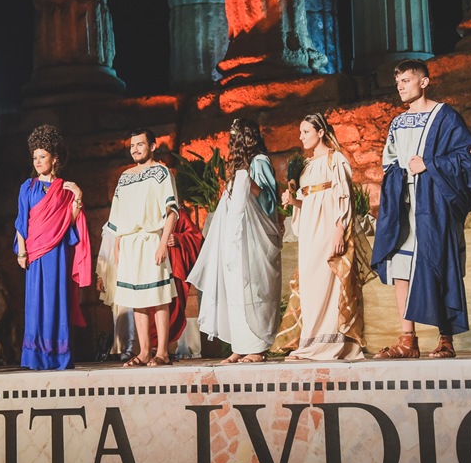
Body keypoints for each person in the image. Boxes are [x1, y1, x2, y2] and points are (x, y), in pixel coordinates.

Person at [372, 60, 471, 360]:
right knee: (400, 268)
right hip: (404, 205)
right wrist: (400, 176)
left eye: (406, 80)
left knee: (439, 264)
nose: (401, 87)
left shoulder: (445, 116)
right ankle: (408, 340)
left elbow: (466, 157)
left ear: (424, 82)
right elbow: (389, 162)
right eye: (398, 83)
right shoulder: (397, 123)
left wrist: (429, 165)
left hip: (435, 205)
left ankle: (445, 338)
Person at [189, 118, 282, 363]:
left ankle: (257, 347)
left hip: (254, 240)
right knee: (236, 291)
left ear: (244, 139)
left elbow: (270, 202)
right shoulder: (240, 167)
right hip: (237, 241)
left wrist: (248, 184)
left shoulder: (259, 162)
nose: (231, 143)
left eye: (234, 138)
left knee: (254, 289)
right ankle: (240, 346)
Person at [279, 114, 367, 361]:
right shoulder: (306, 165)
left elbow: (344, 196)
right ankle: (311, 341)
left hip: (329, 228)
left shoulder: (335, 159)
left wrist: (340, 230)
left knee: (329, 283)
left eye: (306, 131)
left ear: (320, 132)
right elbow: (308, 201)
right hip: (310, 232)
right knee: (310, 285)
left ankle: (329, 344)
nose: (301, 137)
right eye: (300, 132)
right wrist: (293, 201)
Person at [99, 128, 180, 367]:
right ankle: (144, 352)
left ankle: (162, 352)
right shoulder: (125, 177)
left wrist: (163, 243)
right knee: (137, 298)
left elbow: (171, 211)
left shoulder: (161, 173)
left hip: (151, 239)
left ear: (152, 146)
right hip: (129, 242)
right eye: (132, 145)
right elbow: (118, 216)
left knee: (159, 297)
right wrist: (117, 245)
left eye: (140, 144)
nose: (135, 149)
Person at [14, 125, 92, 370]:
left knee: (57, 299)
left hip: (57, 252)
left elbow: (70, 222)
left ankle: (58, 355)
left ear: (54, 158)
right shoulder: (27, 187)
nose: (37, 162)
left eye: (42, 156)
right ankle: (35, 356)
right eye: (34, 157)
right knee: (35, 302)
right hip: (35, 253)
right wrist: (22, 251)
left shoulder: (65, 188)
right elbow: (21, 221)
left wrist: (78, 196)